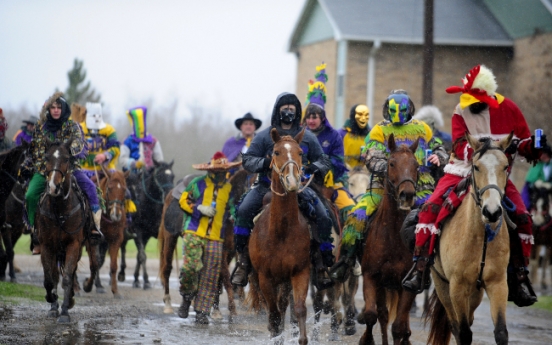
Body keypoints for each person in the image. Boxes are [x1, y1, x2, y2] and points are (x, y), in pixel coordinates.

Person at [402, 65, 544, 307]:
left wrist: (533, 147)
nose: (469, 104)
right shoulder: (460, 109)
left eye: (475, 100)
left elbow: (522, 142)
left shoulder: (509, 109)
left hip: (497, 174)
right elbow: (458, 144)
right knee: (429, 208)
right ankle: (420, 266)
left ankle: (519, 276)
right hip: (462, 168)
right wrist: (481, 152)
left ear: (487, 95)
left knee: (522, 217)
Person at [330, 90, 448, 281]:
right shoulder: (379, 130)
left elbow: (439, 148)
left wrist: (439, 157)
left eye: (402, 110)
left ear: (409, 108)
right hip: (382, 189)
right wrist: (386, 166)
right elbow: (371, 153)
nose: (398, 116)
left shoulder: (423, 129)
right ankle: (346, 260)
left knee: (441, 218)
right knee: (356, 216)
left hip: (422, 189)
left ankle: (437, 265)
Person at [231, 92, 334, 289]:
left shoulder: (307, 137)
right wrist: (266, 163)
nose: (288, 111)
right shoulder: (264, 136)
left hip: (299, 187)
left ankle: (322, 265)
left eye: (292, 108)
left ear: (297, 111)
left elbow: (324, 160)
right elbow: (248, 159)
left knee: (323, 215)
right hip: (265, 185)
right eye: (284, 108)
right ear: (278, 110)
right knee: (243, 210)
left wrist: (314, 168)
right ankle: (243, 262)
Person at [18, 92, 103, 255]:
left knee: (91, 188)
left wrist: (63, 154)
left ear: (63, 109)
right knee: (29, 195)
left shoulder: (73, 127)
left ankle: (94, 228)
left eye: (59, 107)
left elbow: (79, 146)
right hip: (45, 170)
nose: (56, 110)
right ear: (49, 110)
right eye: (53, 107)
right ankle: (35, 231)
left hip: (69, 169)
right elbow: (36, 151)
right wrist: (49, 165)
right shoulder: (41, 128)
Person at [177, 152, 241, 324]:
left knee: (210, 275)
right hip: (193, 231)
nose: (221, 173)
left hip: (216, 237)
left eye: (224, 170)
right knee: (191, 267)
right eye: (218, 170)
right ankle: (186, 297)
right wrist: (198, 209)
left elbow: (233, 208)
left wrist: (235, 217)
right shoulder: (197, 183)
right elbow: (183, 200)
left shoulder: (229, 189)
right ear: (211, 170)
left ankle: (201, 312)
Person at [303, 63, 355, 222]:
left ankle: (347, 245)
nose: (311, 121)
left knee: (351, 211)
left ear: (322, 118)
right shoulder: (298, 134)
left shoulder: (333, 136)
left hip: (330, 184)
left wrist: (319, 168)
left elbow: (339, 163)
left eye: (315, 117)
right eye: (308, 117)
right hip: (300, 183)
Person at [80, 102, 120, 181]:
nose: (97, 118)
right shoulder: (79, 128)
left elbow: (116, 147)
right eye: (94, 116)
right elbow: (70, 146)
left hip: (106, 171)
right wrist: (82, 147)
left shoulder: (109, 129)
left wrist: (105, 156)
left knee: (122, 190)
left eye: (99, 115)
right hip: (82, 170)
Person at [120, 106, 164, 172]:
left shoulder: (153, 141)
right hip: (132, 174)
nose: (140, 129)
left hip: (150, 174)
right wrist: (134, 163)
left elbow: (159, 159)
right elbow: (123, 159)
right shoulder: (127, 141)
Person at [338, 104, 371, 169]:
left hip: (365, 173)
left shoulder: (371, 134)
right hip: (346, 173)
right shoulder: (341, 133)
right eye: (360, 114)